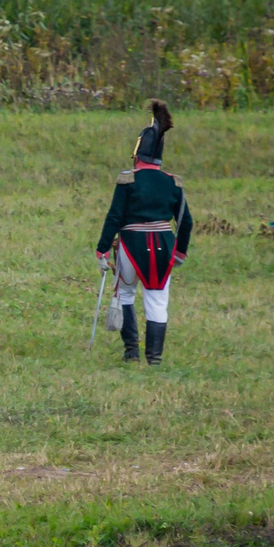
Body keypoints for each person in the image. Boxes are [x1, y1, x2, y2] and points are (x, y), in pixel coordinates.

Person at [97, 100, 191, 365]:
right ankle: (155, 359)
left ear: (137, 153)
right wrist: (180, 252)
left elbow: (114, 217)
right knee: (158, 300)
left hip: (131, 246)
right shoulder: (173, 183)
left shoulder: (127, 179)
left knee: (125, 295)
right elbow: (186, 222)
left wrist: (102, 248)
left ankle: (131, 352)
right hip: (164, 244)